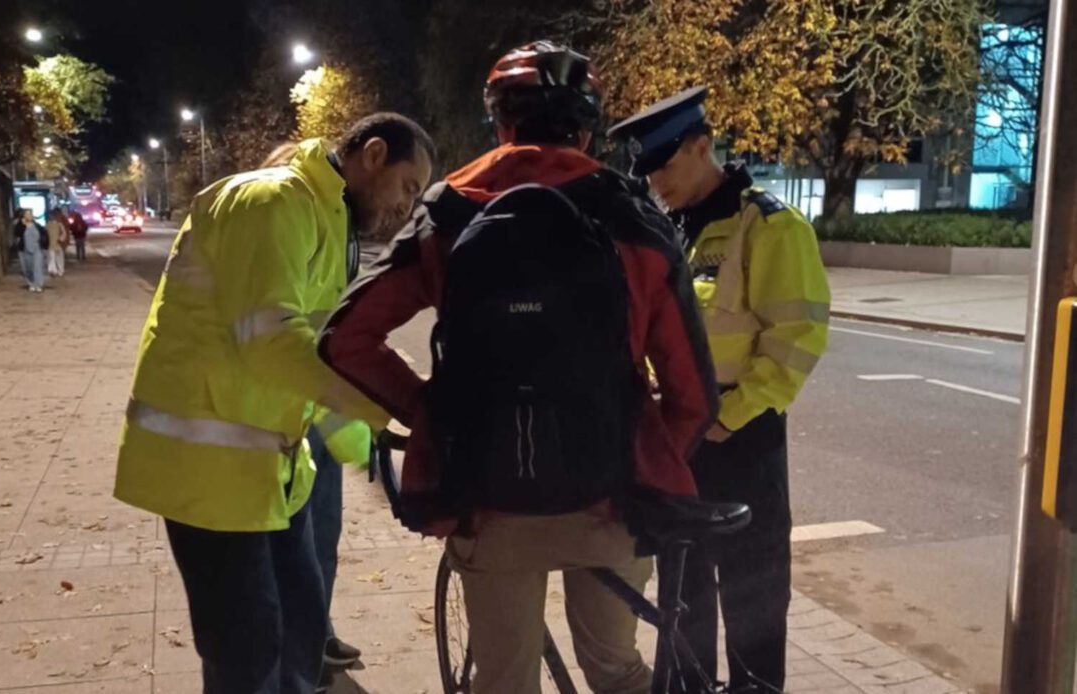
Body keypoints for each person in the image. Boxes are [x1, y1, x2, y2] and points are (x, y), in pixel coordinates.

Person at [318, 42, 720, 694]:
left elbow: (346, 339)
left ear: (500, 124)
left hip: (488, 498)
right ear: (586, 127)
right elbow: (694, 396)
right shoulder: (632, 214)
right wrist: (638, 462)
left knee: (504, 682)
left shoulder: (448, 208)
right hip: (608, 505)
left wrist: (430, 414)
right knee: (617, 671)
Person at [113, 113, 434, 694]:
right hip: (206, 474)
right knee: (248, 649)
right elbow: (270, 344)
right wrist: (388, 407)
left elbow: (321, 354)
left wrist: (373, 443)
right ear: (375, 154)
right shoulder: (270, 201)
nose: (405, 206)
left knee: (302, 628)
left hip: (268, 472)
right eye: (408, 186)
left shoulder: (329, 220)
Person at [609, 86, 831, 692]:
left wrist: (727, 418)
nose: (654, 180)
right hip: (678, 438)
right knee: (683, 597)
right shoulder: (669, 230)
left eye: (664, 165)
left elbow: (797, 339)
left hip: (743, 437)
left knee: (752, 593)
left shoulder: (769, 226)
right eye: (646, 170)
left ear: (702, 146)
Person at [257, 141, 369, 688]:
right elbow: (284, 334)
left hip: (320, 413)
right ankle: (299, 648)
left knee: (323, 536)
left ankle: (315, 634)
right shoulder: (280, 220)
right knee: (291, 555)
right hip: (287, 419)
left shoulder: (341, 222)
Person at [12, 208, 47, 293]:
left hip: (37, 249)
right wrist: (23, 225)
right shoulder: (20, 225)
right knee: (27, 268)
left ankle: (38, 285)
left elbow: (44, 233)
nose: (29, 216)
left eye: (30, 214)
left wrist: (44, 244)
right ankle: (31, 283)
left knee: (37, 267)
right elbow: (17, 233)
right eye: (27, 214)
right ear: (23, 216)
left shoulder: (36, 225)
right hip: (25, 250)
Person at [46, 208, 69, 277]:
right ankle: (57, 270)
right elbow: (64, 233)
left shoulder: (49, 225)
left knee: (53, 257)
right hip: (56, 243)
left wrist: (61, 239)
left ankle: (54, 270)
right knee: (57, 258)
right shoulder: (58, 224)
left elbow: (64, 233)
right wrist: (61, 239)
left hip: (53, 243)